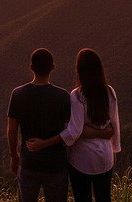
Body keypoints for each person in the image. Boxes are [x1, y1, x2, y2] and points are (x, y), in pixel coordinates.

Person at [27, 48, 121, 202]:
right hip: (105, 156)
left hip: (82, 158)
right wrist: (113, 147)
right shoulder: (110, 92)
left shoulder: (77, 95)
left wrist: (44, 143)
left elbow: (74, 132)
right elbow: (115, 124)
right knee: (104, 198)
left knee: (82, 197)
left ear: (80, 71)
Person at [6, 48, 73, 202]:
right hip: (56, 164)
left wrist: (14, 156)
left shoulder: (18, 94)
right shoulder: (62, 96)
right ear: (53, 67)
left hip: (29, 162)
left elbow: (12, 130)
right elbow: (71, 131)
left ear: (31, 67)